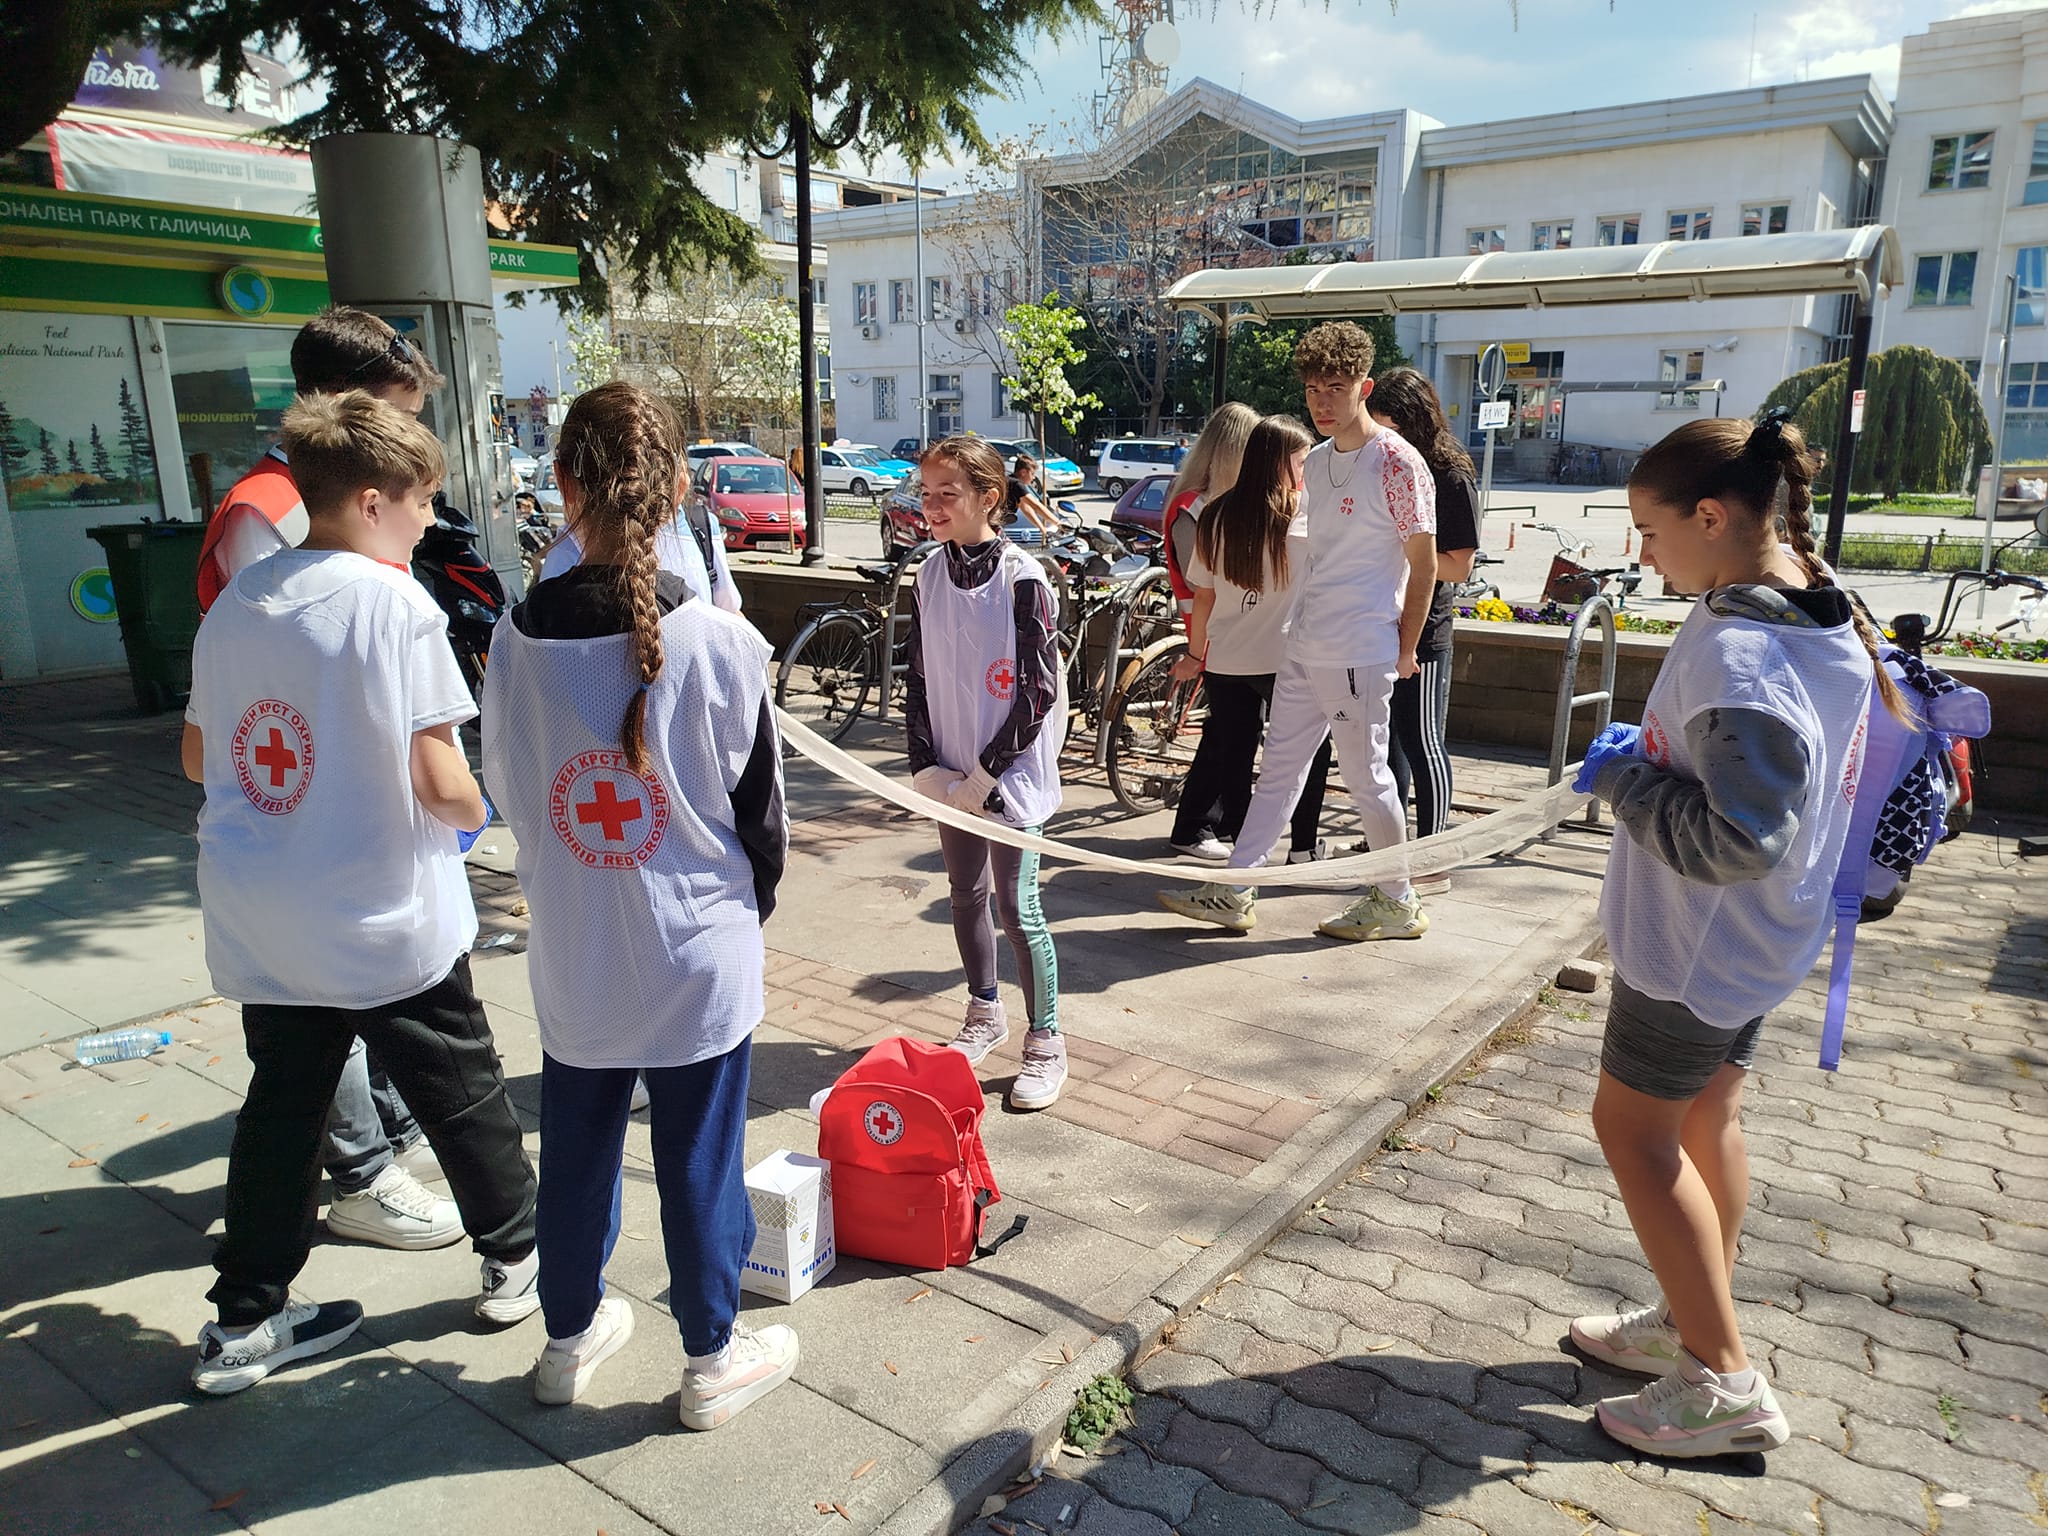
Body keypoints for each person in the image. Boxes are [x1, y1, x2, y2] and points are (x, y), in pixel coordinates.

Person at [183, 391, 541, 1395]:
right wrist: (485, 813)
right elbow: (439, 780)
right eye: (423, 501)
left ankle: (244, 1320)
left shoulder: (236, 607)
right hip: (381, 910)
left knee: (281, 1112)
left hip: (264, 913)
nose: (429, 521)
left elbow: (198, 756)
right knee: (459, 1088)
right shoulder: (395, 606)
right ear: (374, 501)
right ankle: (516, 1257)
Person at [1565, 410, 1895, 1457]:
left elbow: (1738, 838)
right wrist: (1659, 758)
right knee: (1708, 1113)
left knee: (1634, 1133)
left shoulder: (1744, 654)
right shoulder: (1809, 592)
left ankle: (1720, 1379)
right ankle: (1687, 1319)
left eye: (1650, 532)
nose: (1642, 555)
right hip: (1760, 938)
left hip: (1696, 944)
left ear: (1710, 516)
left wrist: (1625, 780)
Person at [482, 381, 794, 1428]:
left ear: (562, 483)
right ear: (677, 494)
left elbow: (510, 791)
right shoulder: (717, 641)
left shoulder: (514, 642)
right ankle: (710, 1358)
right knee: (699, 1156)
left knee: (576, 1149)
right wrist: (741, 912)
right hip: (695, 943)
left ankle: (565, 1339)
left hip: (576, 943)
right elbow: (763, 820)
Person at [194, 305, 460, 1255]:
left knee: (308, 1047)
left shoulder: (313, 513)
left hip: (313, 832)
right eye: (394, 415)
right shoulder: (269, 512)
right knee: (311, 1042)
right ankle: (364, 1175)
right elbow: (284, 683)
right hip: (308, 836)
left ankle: (267, 1272)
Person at [1158, 321, 1437, 942]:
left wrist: (1405, 647)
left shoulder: (1396, 461)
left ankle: (1398, 898)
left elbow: (1424, 564)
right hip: (1306, 643)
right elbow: (1312, 553)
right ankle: (1236, 888)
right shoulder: (1315, 460)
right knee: (1279, 770)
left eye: (1336, 387)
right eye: (1313, 389)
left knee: (1367, 777)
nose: (1322, 401)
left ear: (1364, 387)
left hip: (1358, 646)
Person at [906, 436, 1068, 1111]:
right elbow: (917, 676)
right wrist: (924, 765)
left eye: (947, 494)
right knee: (964, 893)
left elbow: (1039, 690)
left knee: (1017, 906)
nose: (932, 507)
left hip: (1010, 774)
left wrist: (986, 773)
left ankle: (1047, 1040)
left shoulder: (1023, 578)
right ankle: (983, 1011)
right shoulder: (927, 575)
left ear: (989, 497)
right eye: (926, 494)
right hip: (951, 769)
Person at [1167, 415, 1335, 868]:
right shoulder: (1303, 512)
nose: (1307, 470)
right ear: (1280, 463)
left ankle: (1244, 850)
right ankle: (1303, 847)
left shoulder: (1216, 513)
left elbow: (1204, 595)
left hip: (1226, 656)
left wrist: (1196, 654)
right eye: (1302, 461)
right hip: (1285, 656)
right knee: (1309, 752)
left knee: (1234, 753)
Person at [1366, 368, 1482, 881]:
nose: (1380, 439)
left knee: (1422, 741)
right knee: (1387, 742)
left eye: (1386, 427)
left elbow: (1459, 566)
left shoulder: (1450, 476)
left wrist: (1402, 550)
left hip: (1426, 631)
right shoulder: (1385, 465)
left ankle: (1434, 855)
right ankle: (1391, 846)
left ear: (1410, 421)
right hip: (1380, 622)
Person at [1159, 403, 1256, 635]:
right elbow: (1196, 582)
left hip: (1237, 632)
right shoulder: (1189, 507)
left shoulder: (1231, 500)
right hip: (1211, 635)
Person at [1005, 454, 1063, 536]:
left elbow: (1026, 508)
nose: (1033, 478)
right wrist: (1058, 523)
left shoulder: (1011, 481)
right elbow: (1036, 506)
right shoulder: (1016, 484)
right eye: (1032, 474)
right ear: (1023, 472)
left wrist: (1041, 527)